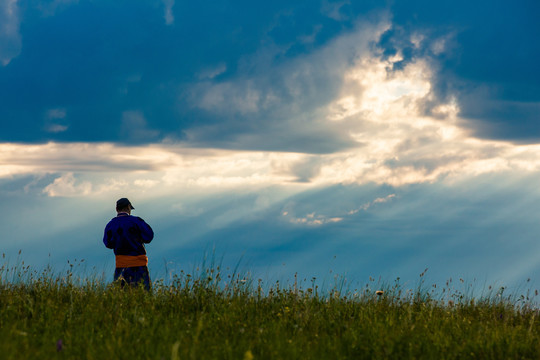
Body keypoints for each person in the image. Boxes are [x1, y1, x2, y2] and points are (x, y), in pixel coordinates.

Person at [103, 198, 154, 290]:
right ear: (128, 207)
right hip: (139, 266)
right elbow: (149, 236)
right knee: (143, 295)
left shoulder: (110, 225)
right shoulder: (137, 221)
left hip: (121, 266)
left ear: (116, 209)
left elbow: (108, 243)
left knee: (121, 297)